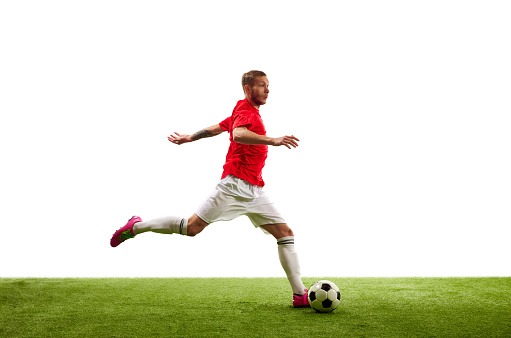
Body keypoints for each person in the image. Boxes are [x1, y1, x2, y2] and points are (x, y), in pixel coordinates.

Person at [110, 70, 309, 307]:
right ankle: (136, 226)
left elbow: (219, 127)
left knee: (285, 234)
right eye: (262, 86)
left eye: (268, 85)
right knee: (191, 228)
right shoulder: (246, 113)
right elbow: (238, 134)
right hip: (233, 187)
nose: (268, 90)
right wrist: (273, 140)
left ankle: (300, 295)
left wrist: (189, 138)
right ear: (248, 89)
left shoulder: (241, 109)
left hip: (255, 190)